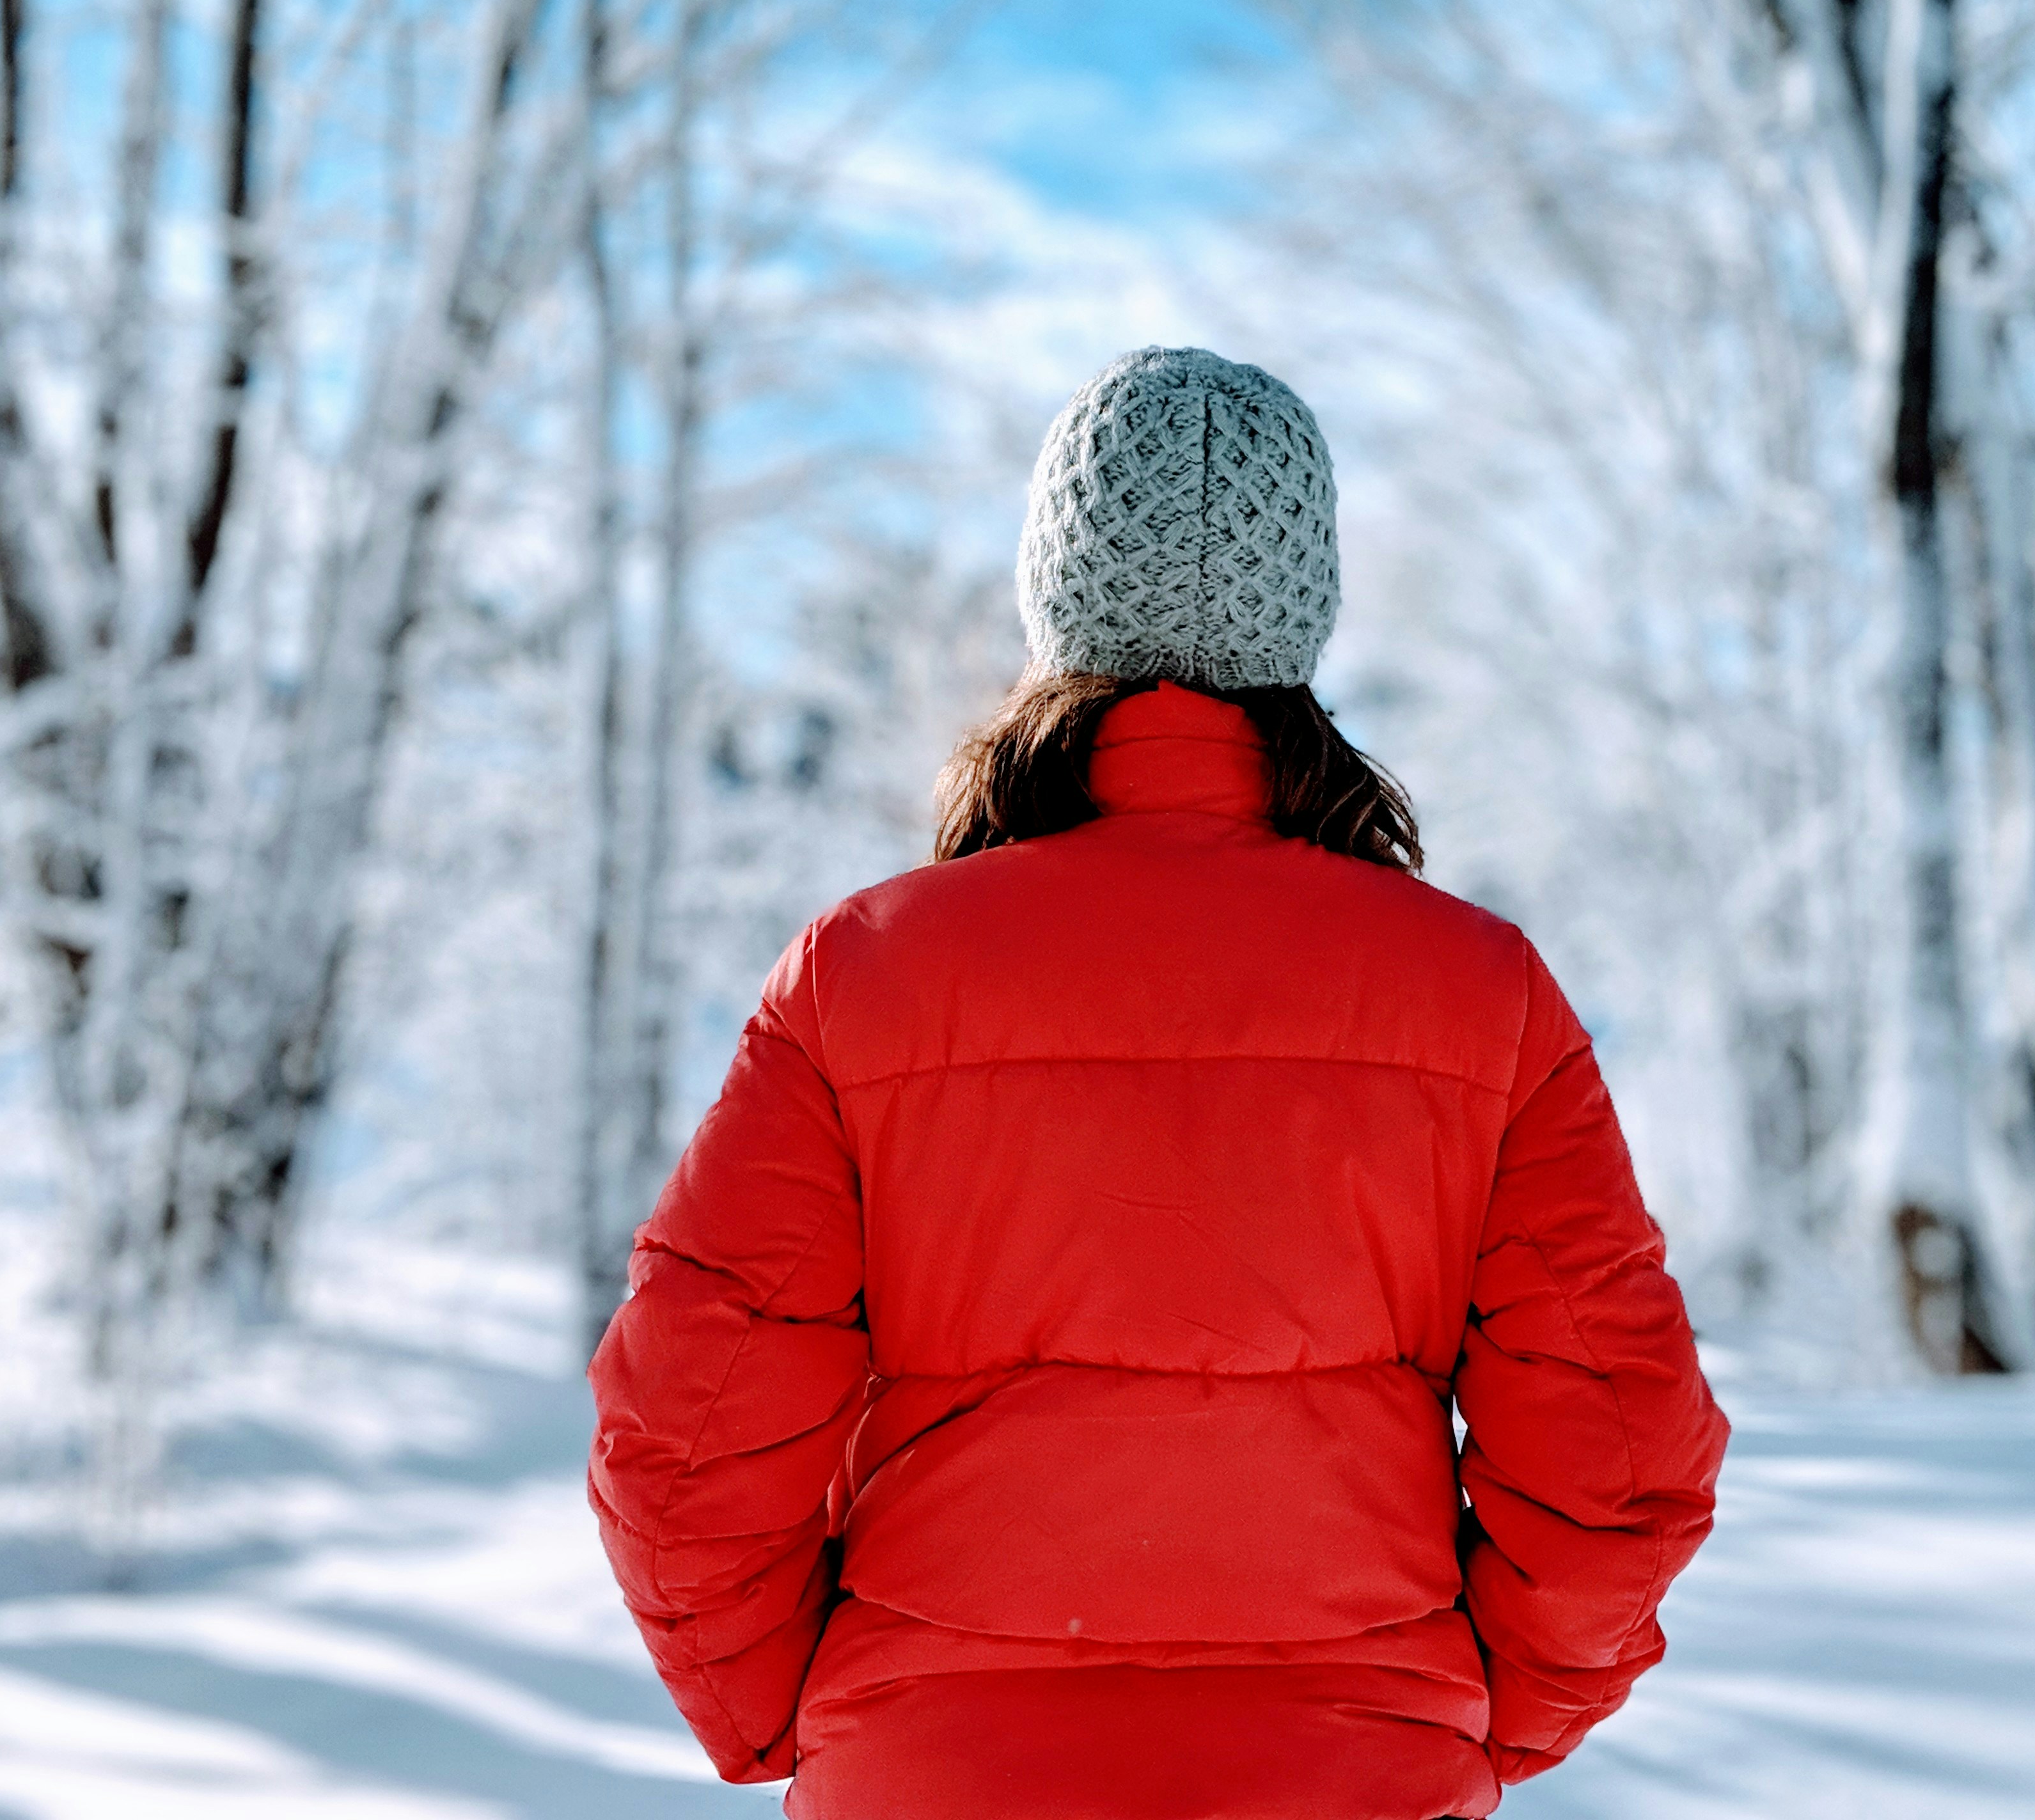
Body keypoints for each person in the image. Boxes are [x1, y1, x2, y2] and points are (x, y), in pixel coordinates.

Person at [586, 346, 1728, 1819]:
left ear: (1055, 606)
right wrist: (1472, 1720)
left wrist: (786, 1710)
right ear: (1299, 613)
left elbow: (686, 1427)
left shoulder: (861, 977)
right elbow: (1620, 1454)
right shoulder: (1480, 995)